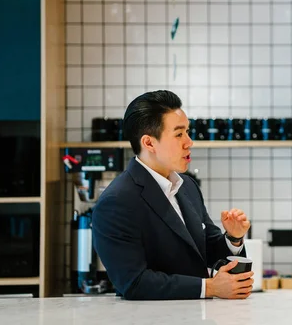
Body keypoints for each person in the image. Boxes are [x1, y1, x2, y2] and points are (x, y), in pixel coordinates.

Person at [92, 90, 254, 300]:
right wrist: (210, 288)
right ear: (149, 143)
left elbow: (209, 252)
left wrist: (233, 237)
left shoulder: (187, 186)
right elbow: (133, 282)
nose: (189, 142)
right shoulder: (116, 202)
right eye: (179, 134)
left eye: (187, 132)